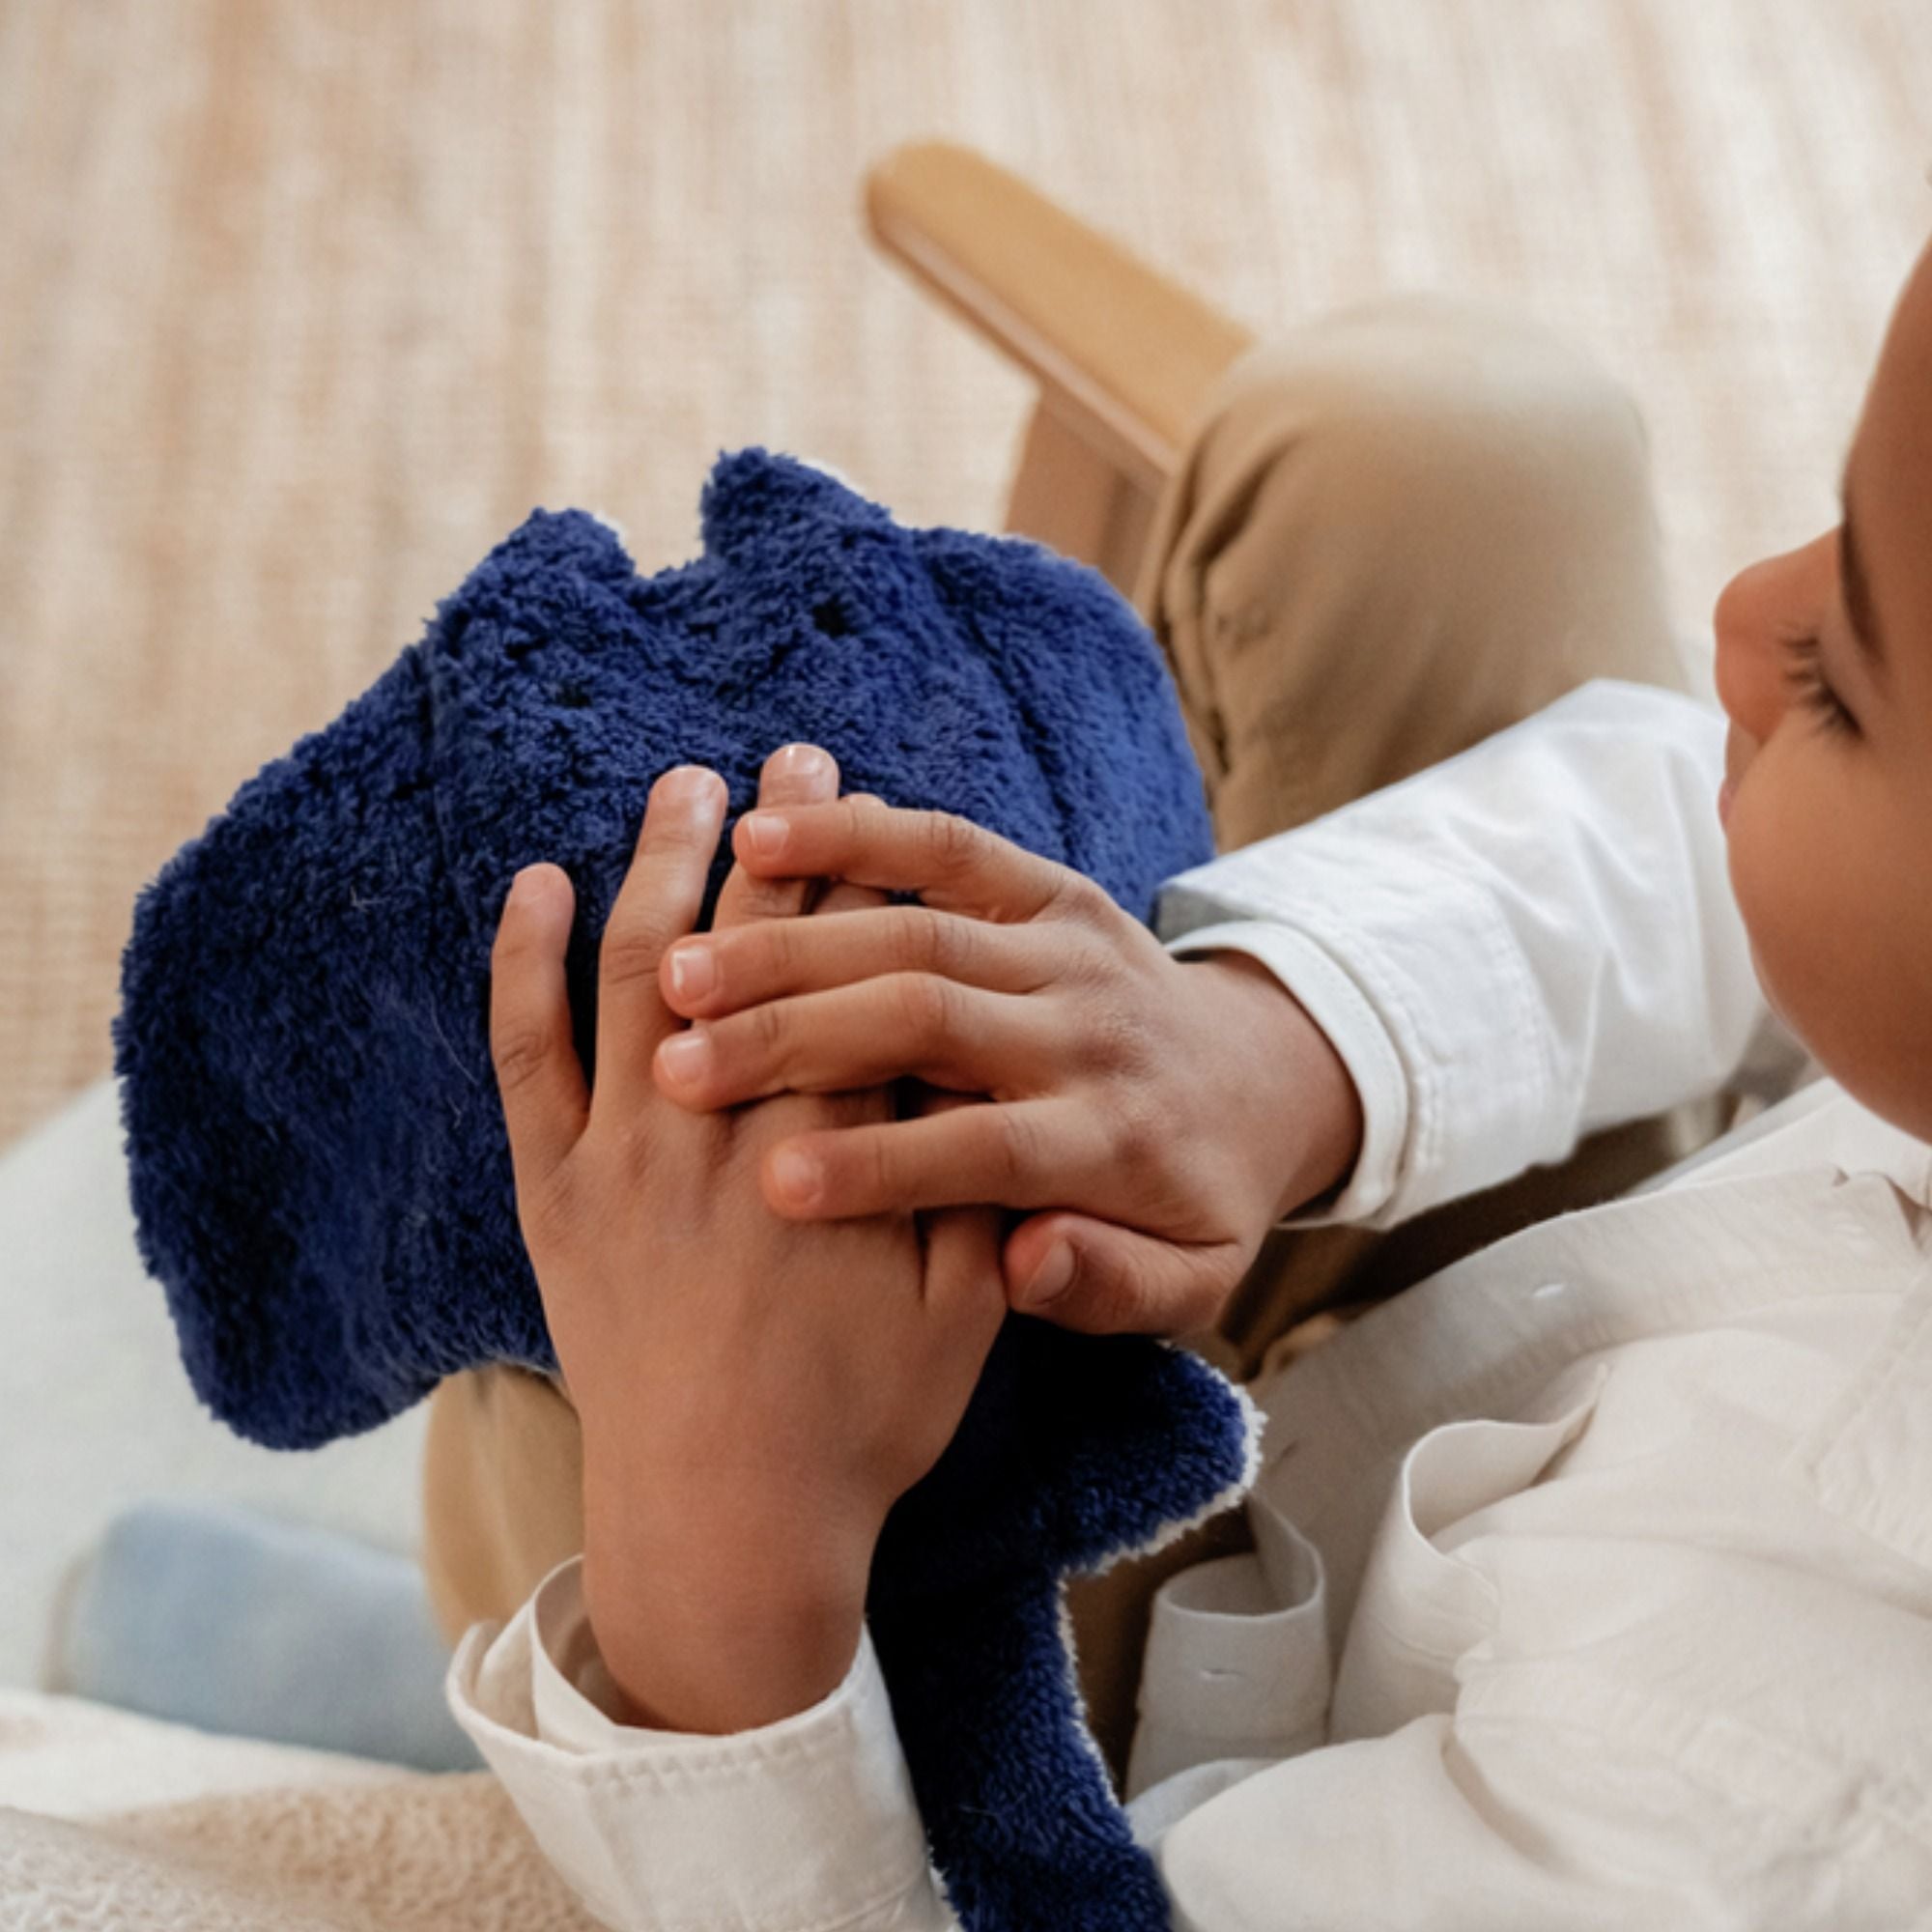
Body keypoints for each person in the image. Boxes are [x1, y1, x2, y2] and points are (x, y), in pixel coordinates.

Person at [441, 230, 1932, 1929]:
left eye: (1843, 676)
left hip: (1078, 1791)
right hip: (1536, 1320)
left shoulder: (1765, 1822)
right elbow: (1705, 863)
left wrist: (729, 1567)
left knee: (632, 1238)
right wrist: (1286, 1040)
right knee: (1450, 452)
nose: (1743, 615)